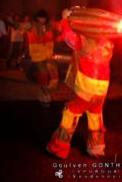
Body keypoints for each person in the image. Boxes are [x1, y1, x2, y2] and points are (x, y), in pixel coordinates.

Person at [46, 9, 114, 159]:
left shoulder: (83, 41)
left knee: (70, 111)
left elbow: (67, 36)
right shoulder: (108, 43)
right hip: (101, 91)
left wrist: (65, 19)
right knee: (95, 115)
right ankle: (96, 148)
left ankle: (59, 148)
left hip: (86, 89)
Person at [24, 9, 58, 106]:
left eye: (43, 18)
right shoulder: (32, 26)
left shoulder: (49, 26)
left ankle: (46, 91)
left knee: (54, 73)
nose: (42, 20)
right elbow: (21, 26)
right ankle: (44, 96)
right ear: (37, 18)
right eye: (40, 18)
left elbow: (60, 26)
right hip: (38, 56)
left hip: (48, 55)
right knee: (43, 74)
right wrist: (14, 22)